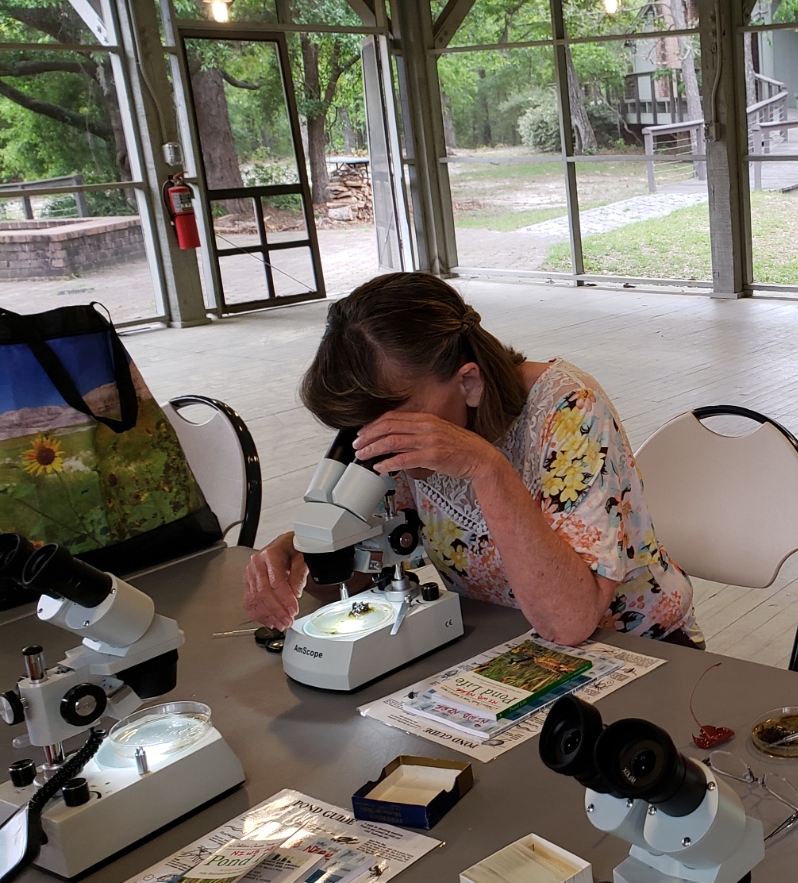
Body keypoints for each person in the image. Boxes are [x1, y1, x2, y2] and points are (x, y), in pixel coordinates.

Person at [242, 273, 700, 649]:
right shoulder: (400, 445)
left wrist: (486, 467)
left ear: (469, 384)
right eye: (361, 426)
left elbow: (570, 623)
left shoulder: (567, 409)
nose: (379, 443)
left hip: (639, 652)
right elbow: (365, 574)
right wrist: (306, 549)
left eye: (392, 422)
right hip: (503, 647)